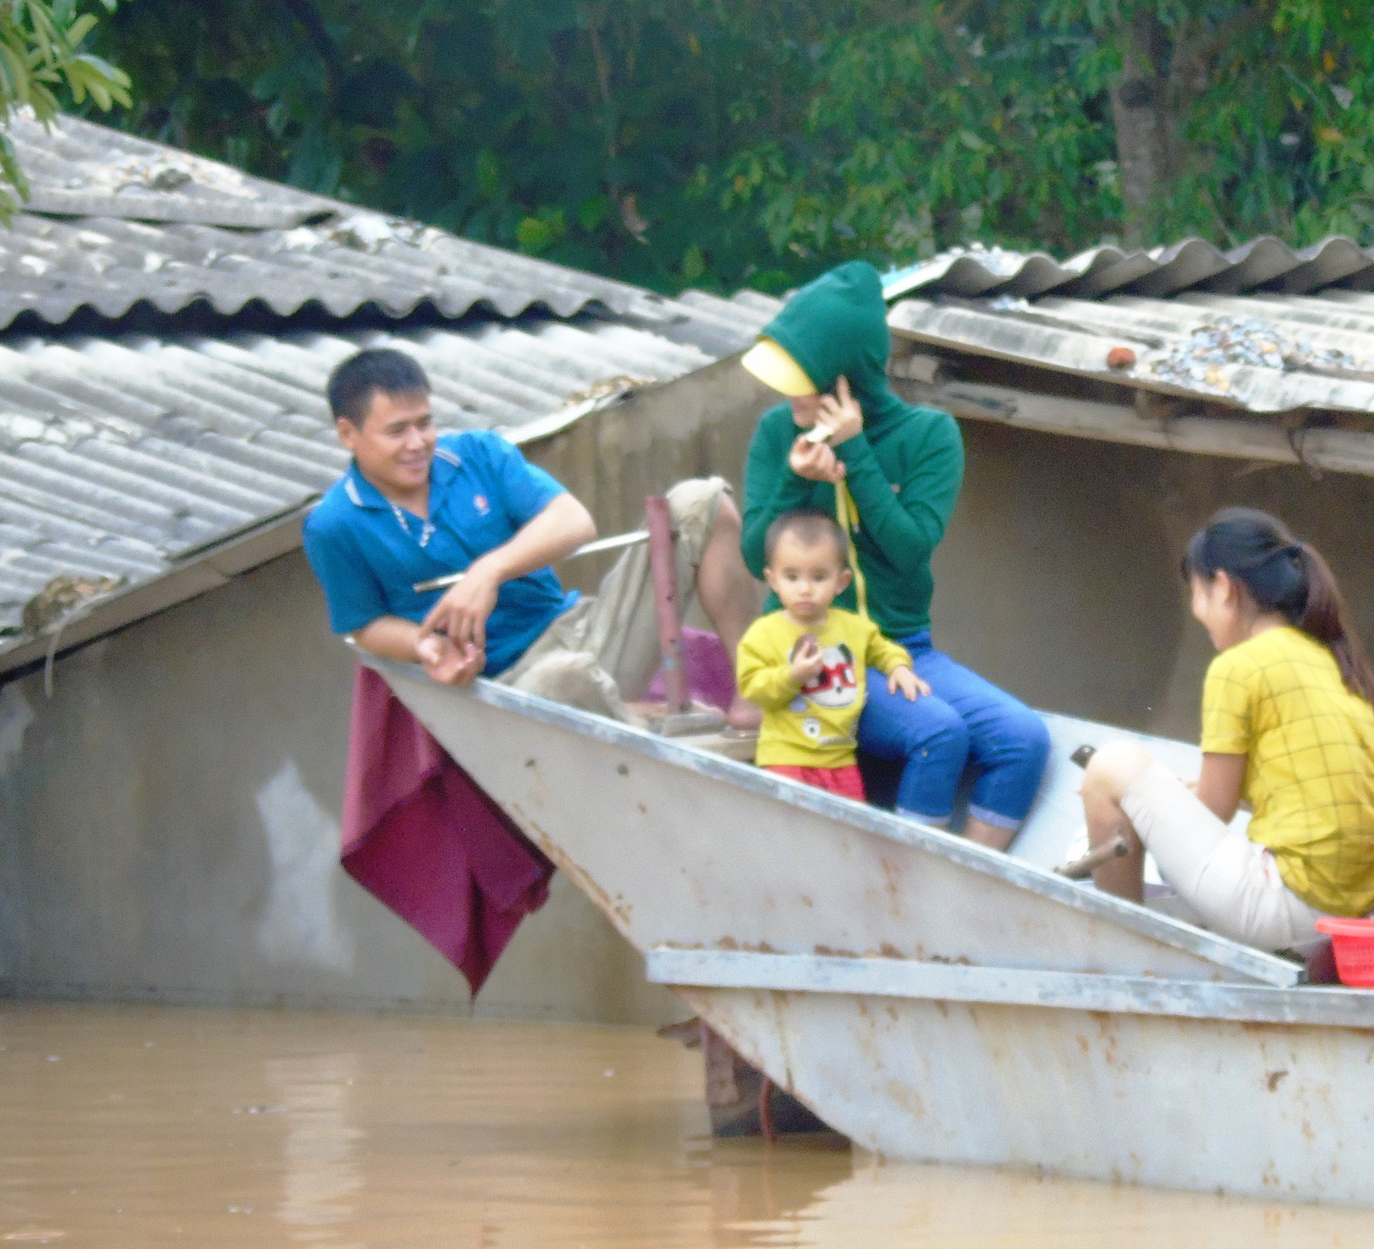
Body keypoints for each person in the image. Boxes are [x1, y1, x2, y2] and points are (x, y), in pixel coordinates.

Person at [738, 262, 1050, 848]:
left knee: (1023, 739)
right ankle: (909, 893)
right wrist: (795, 481)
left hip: (904, 650)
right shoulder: (777, 433)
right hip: (809, 650)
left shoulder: (930, 435)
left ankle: (968, 893)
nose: (784, 393)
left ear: (843, 374)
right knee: (938, 733)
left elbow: (909, 551)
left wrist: (856, 455)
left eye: (799, 376)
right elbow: (757, 554)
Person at [301, 347, 764, 726]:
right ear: (348, 434)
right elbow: (364, 625)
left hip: (579, 630)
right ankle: (641, 716)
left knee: (702, 501)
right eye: (396, 431)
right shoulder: (334, 525)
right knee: (564, 681)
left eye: (424, 423)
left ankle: (755, 690)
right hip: (508, 686)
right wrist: (426, 646)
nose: (418, 442)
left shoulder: (478, 453)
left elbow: (573, 520)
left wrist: (489, 571)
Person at [1076, 507, 1374, 951]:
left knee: (1109, 768)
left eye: (1197, 592)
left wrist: (1157, 806)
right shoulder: (1329, 659)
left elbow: (1214, 810)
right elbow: (1293, 787)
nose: (1195, 609)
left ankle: (1117, 943)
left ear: (1223, 588)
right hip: (1346, 912)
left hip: (1285, 909)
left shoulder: (1238, 667)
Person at [735, 511, 930, 799]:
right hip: (787, 759)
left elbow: (882, 647)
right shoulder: (763, 634)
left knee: (845, 836)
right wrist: (792, 676)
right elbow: (752, 687)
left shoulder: (852, 627)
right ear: (772, 579)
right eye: (791, 576)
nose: (804, 589)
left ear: (841, 581)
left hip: (842, 761)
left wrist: (898, 667)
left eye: (818, 577)